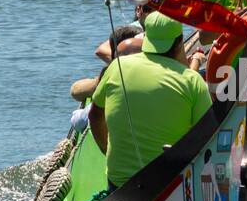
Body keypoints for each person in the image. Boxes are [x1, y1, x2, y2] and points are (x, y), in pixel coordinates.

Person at [89, 13, 213, 190]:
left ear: (146, 38)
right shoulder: (192, 80)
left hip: (119, 183)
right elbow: (207, 136)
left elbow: (95, 116)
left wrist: (106, 149)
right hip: (169, 182)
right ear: (180, 42)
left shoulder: (118, 66)